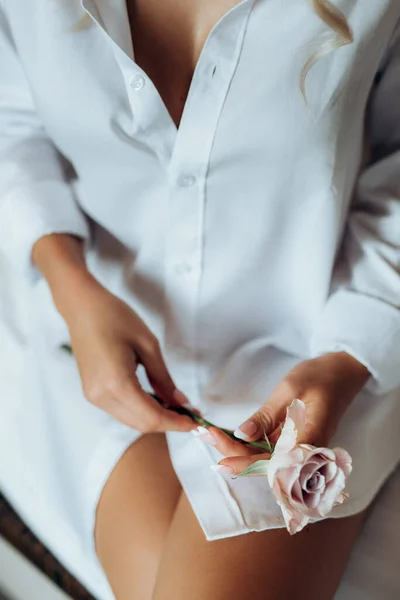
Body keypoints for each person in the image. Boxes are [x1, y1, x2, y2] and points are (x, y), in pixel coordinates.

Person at [0, 1, 399, 598]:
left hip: (316, 340)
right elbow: (12, 121)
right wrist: (71, 286)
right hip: (91, 330)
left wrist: (344, 363)